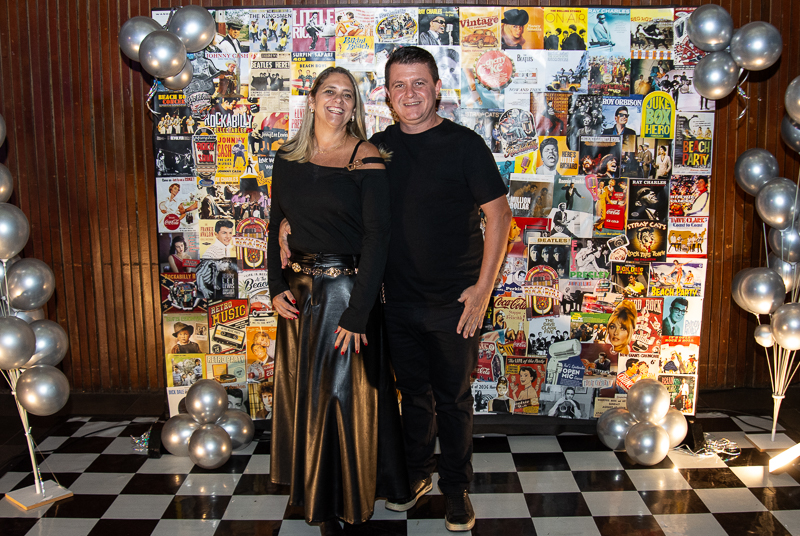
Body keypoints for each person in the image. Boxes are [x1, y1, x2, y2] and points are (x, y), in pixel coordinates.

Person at [268, 67, 409, 534]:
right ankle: (316, 493)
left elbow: (378, 238)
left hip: (347, 294)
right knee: (307, 399)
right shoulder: (287, 156)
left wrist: (358, 312)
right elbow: (275, 223)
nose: (338, 100)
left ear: (355, 107)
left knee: (340, 400)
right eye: (330, 92)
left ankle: (339, 502)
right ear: (311, 100)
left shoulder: (364, 156)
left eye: (347, 95)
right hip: (299, 296)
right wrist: (275, 286)